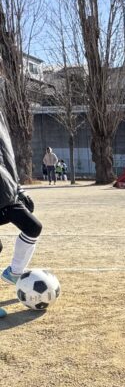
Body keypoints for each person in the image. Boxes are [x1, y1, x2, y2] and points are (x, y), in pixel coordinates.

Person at [0, 110, 42, 318]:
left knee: (33, 227)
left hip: (5, 192)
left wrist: (18, 188)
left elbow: (6, 157)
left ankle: (14, 272)